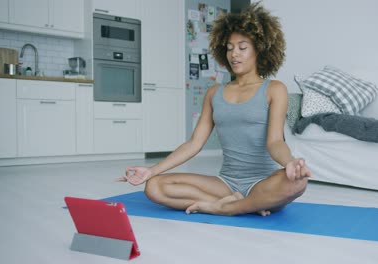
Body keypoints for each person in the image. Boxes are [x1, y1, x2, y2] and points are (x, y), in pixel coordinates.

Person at [117, 3, 311, 216]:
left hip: (262, 182)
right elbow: (194, 143)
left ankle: (228, 207)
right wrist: (151, 170)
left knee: (297, 184)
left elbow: (275, 142)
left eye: (242, 47)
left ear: (260, 49)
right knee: (154, 186)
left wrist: (290, 163)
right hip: (225, 183)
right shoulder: (214, 93)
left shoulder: (274, 89)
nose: (234, 54)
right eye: (229, 48)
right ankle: (240, 205)